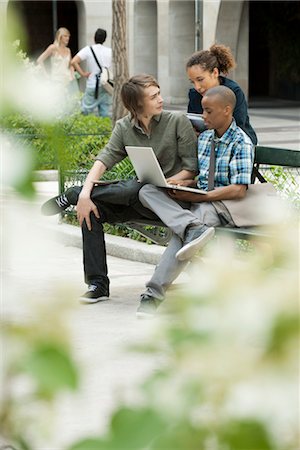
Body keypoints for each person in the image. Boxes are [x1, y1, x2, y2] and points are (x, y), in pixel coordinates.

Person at [41, 74, 199, 304]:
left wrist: (167, 183)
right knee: (92, 208)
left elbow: (191, 169)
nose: (161, 99)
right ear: (137, 104)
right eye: (153, 96)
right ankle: (97, 284)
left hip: (171, 202)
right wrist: (86, 195)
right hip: (139, 200)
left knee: (140, 188)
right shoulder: (124, 127)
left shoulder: (176, 122)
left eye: (159, 93)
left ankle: (72, 194)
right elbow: (104, 160)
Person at [137, 85, 254, 317]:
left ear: (227, 110)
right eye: (203, 110)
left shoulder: (241, 142)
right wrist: (183, 185)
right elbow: (200, 178)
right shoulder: (206, 138)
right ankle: (192, 229)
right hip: (198, 198)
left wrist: (203, 196)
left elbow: (239, 190)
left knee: (188, 228)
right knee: (147, 190)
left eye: (209, 111)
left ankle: (153, 294)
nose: (203, 116)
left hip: (222, 204)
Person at [187, 44, 257, 145]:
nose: (197, 87)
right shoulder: (194, 95)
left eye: (200, 79)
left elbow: (238, 125)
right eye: (192, 82)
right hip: (206, 145)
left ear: (215, 73)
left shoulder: (233, 91)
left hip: (238, 144)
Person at [71, 28, 112, 117]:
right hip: (106, 85)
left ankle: (84, 130)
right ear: (105, 39)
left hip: (92, 84)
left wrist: (83, 74)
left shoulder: (88, 50)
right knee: (104, 114)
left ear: (94, 38)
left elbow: (73, 61)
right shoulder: (109, 51)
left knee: (84, 112)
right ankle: (104, 130)